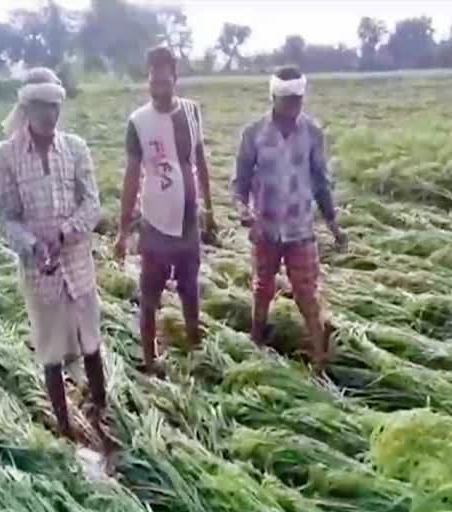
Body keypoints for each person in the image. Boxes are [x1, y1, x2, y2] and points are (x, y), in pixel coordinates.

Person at [0, 68, 114, 455]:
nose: (50, 114)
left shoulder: (74, 148)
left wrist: (64, 234)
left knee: (90, 339)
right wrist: (31, 244)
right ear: (27, 106)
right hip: (38, 270)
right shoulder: (6, 155)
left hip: (76, 262)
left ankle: (100, 409)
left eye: (56, 106)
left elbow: (92, 204)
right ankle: (65, 429)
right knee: (51, 350)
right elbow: (5, 216)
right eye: (43, 106)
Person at [232, 65, 346, 374]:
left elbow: (321, 182)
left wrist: (333, 224)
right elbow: (239, 182)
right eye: (288, 100)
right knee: (262, 288)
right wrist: (243, 210)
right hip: (265, 229)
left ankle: (319, 358)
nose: (294, 106)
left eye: (298, 99)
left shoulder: (312, 133)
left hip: (300, 230)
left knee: (307, 293)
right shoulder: (253, 134)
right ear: (273, 98)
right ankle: (256, 340)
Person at [114, 47, 216, 377]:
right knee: (149, 295)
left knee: (189, 288)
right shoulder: (138, 122)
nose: (157, 87)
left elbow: (200, 162)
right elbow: (132, 177)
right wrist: (123, 229)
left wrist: (209, 208)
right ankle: (149, 358)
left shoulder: (191, 112)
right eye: (152, 80)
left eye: (164, 80)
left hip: (188, 221)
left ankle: (193, 344)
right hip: (156, 223)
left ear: (175, 77)